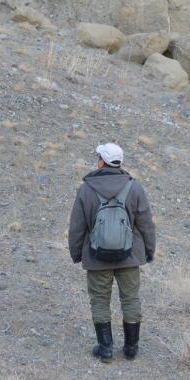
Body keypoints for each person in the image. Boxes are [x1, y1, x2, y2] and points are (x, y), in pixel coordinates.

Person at [68, 143, 156, 362]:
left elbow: (77, 227)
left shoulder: (86, 189)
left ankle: (106, 349)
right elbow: (146, 224)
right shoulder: (134, 188)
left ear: (101, 161)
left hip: (97, 257)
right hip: (130, 256)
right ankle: (131, 348)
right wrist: (148, 250)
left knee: (99, 300)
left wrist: (77, 253)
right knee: (130, 299)